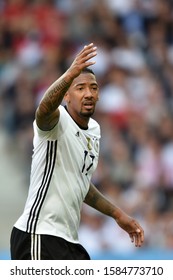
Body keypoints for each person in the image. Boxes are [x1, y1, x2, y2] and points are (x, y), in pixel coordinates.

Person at [10, 43, 144, 260]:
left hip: (68, 240)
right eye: (80, 88)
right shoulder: (56, 121)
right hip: (38, 235)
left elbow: (81, 184)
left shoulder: (94, 130)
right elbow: (43, 110)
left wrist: (117, 214)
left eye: (93, 87)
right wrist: (69, 74)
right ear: (67, 96)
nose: (88, 93)